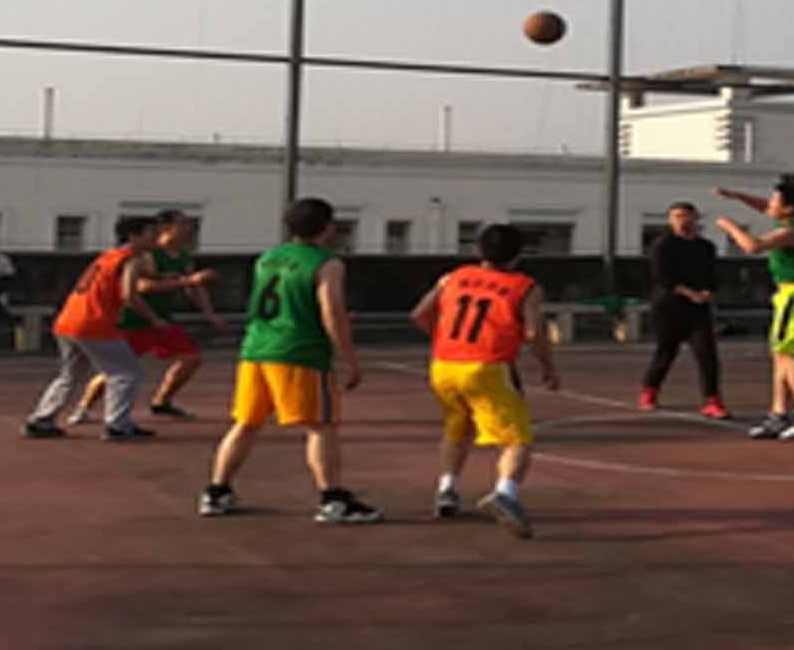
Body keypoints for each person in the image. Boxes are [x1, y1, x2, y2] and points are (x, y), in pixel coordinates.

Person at [200, 196, 380, 525]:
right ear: (327, 228)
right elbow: (331, 311)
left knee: (246, 423)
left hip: (256, 348)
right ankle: (333, 499)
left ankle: (216, 491)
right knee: (321, 426)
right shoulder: (327, 263)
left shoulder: (268, 258)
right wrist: (349, 358)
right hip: (299, 351)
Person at [411, 222, 557, 538]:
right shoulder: (525, 287)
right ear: (519, 255)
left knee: (457, 427)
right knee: (518, 439)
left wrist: (445, 339)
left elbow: (419, 315)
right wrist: (548, 367)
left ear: (478, 250)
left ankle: (446, 490)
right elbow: (534, 333)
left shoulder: (452, 277)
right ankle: (505, 494)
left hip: (444, 364)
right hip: (487, 366)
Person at [21, 215, 168, 442]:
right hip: (94, 323)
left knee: (70, 375)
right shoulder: (131, 259)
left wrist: (162, 276)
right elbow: (129, 295)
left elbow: (129, 276)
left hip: (69, 319)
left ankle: (41, 419)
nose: (157, 237)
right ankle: (117, 425)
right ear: (134, 236)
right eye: (151, 232)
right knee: (126, 373)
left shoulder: (109, 256)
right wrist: (154, 318)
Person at [74, 208, 221, 421]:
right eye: (183, 224)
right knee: (117, 370)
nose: (189, 229)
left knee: (192, 357)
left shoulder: (183, 255)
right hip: (136, 320)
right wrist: (185, 281)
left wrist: (209, 313)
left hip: (162, 320)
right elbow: (142, 287)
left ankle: (162, 401)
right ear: (166, 228)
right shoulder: (148, 254)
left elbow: (193, 287)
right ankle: (84, 407)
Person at [714, 181, 794, 440]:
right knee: (780, 354)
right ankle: (778, 414)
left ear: (788, 208)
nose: (769, 205)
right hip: (793, 294)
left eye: (775, 201)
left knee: (788, 352)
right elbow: (763, 206)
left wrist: (729, 226)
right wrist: (738, 195)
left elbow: (753, 246)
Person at [637, 201, 726, 418]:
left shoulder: (706, 247)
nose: (682, 220)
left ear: (695, 218)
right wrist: (688, 292)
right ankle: (650, 391)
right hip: (668, 308)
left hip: (698, 311)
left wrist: (708, 293)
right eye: (676, 216)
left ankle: (712, 400)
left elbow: (712, 275)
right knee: (666, 352)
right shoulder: (662, 245)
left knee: (707, 354)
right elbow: (661, 276)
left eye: (686, 216)